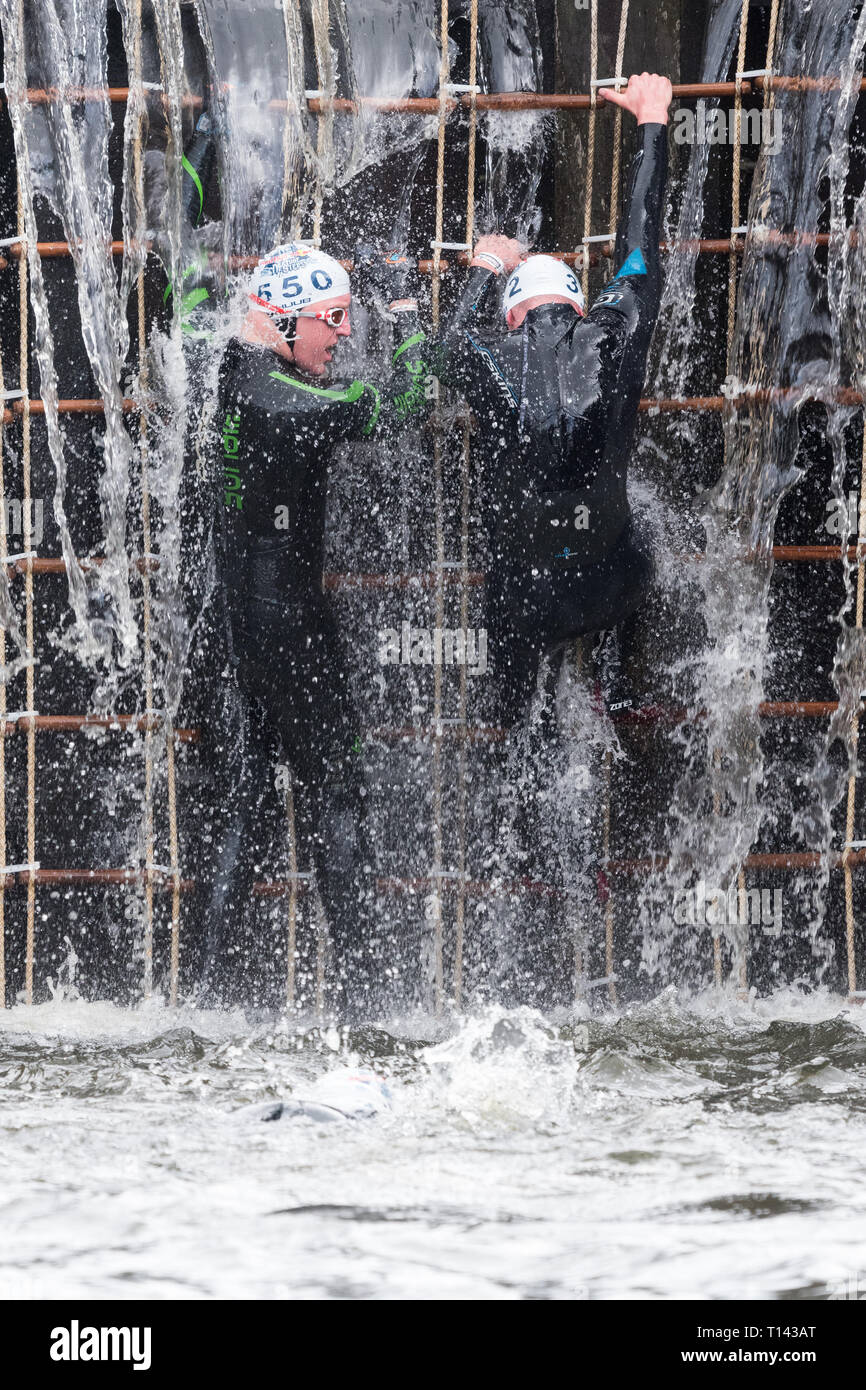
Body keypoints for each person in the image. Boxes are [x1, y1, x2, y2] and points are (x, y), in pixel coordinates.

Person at [388, 72, 672, 727]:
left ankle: (514, 735)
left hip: (527, 604)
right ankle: (617, 683)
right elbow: (642, 245)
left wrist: (483, 268)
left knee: (514, 666)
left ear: (512, 315)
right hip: (613, 584)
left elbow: (433, 351)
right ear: (580, 301)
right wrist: (652, 119)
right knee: (643, 526)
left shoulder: (490, 352)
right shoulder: (617, 326)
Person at [202, 241, 419, 1013]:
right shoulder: (287, 403)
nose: (343, 335)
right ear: (284, 319)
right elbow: (405, 405)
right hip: (291, 632)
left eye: (348, 318)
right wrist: (407, 311)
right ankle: (365, 1000)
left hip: (240, 628)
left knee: (247, 801)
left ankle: (202, 994)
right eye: (331, 320)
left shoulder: (223, 366)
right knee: (340, 790)